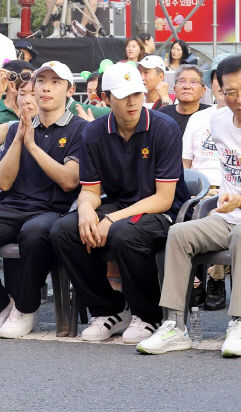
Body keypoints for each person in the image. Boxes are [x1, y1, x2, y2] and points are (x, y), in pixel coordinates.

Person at [136, 54, 241, 357]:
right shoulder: (217, 121)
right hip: (228, 214)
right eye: (231, 92)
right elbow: (229, 171)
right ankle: (174, 325)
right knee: (180, 234)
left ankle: (238, 324)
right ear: (218, 90)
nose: (240, 100)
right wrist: (226, 197)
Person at [49, 63, 189, 343]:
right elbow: (90, 190)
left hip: (162, 210)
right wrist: (87, 210)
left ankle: (148, 315)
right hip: (118, 204)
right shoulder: (94, 132)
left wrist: (110, 219)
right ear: (105, 98)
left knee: (124, 233)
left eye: (137, 93)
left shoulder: (164, 127)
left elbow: (164, 198)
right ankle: (108, 309)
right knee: (64, 230)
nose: (132, 101)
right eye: (124, 95)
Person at [0, 61, 86, 338]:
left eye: (55, 82)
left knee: (35, 233)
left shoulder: (80, 129)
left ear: (69, 90)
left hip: (54, 209)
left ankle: (25, 309)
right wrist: (19, 138)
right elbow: (4, 182)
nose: (46, 87)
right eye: (41, 81)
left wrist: (33, 147)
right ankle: (4, 303)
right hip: (12, 206)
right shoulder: (17, 128)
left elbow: (69, 180)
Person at [182, 53, 230, 311]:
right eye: (217, 81)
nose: (222, 87)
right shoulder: (198, 119)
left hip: (229, 190)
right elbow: (185, 164)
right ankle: (194, 280)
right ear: (211, 87)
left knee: (219, 212)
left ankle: (216, 279)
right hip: (199, 190)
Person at [157, 65, 210, 133]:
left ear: (203, 91)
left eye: (193, 82)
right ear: (174, 89)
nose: (187, 86)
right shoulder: (161, 115)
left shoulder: (210, 115)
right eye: (182, 81)